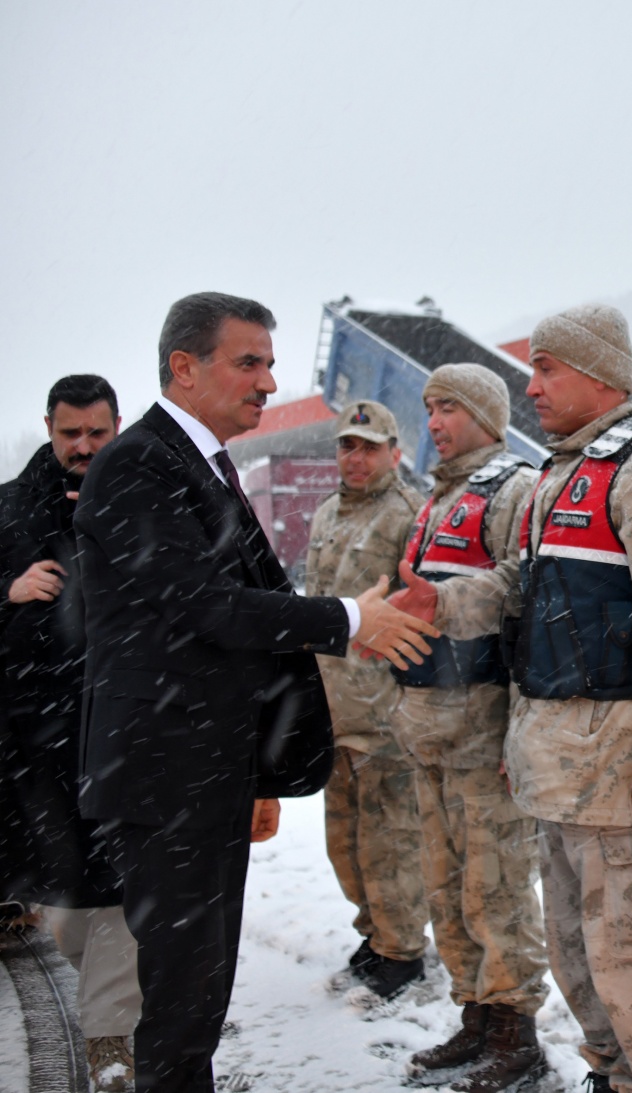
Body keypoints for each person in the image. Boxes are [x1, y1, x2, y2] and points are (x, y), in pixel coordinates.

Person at [74, 291, 440, 1093]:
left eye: (270, 363)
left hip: (203, 766)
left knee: (200, 988)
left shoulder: (200, 461)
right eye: (249, 362)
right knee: (180, 995)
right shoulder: (138, 463)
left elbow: (242, 603)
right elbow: (205, 607)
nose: (269, 382)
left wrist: (259, 766)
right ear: (184, 366)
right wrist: (350, 619)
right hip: (167, 772)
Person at [394, 304, 632, 1093]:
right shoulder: (558, 475)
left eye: (547, 368)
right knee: (576, 958)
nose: (532, 384)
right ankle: (611, 1076)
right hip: (558, 773)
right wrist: (443, 605)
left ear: (601, 375)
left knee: (631, 960)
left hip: (624, 782)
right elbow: (525, 594)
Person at [383, 364, 550, 1093]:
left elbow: (522, 613)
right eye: (428, 408)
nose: (434, 422)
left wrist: (520, 729)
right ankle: (476, 1015)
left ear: (485, 413)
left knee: (496, 886)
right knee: (445, 886)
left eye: (448, 406)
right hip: (428, 728)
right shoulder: (438, 496)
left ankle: (516, 1029)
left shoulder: (512, 489)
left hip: (482, 729)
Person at [0, 374, 139, 1091]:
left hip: (125, 733)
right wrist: (9, 589)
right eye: (69, 434)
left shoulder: (149, 502)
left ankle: (111, 1037)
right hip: (37, 744)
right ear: (49, 429)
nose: (83, 448)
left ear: (118, 423)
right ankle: (103, 1005)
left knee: (117, 889)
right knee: (67, 900)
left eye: (97, 433)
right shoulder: (8, 510)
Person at [304, 399, 431, 1001]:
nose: (356, 459)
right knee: (346, 843)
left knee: (391, 844)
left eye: (370, 448)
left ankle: (401, 949)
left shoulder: (409, 514)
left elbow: (422, 616)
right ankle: (373, 932)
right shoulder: (327, 512)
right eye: (347, 446)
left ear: (394, 454)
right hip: (332, 710)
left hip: (383, 717)